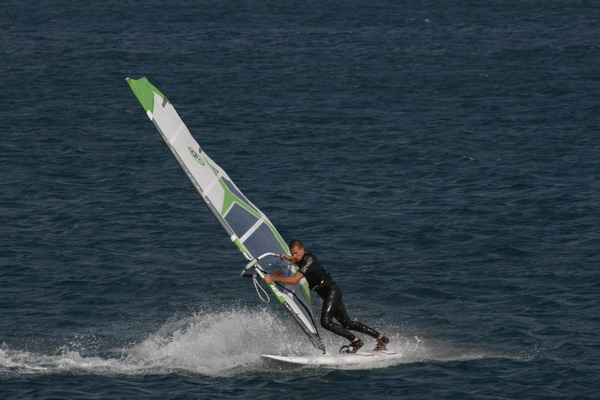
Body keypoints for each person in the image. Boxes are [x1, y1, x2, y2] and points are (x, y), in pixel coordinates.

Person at [263, 239, 389, 353]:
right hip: (325, 293)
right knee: (347, 323)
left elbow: (293, 280)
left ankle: (356, 341)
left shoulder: (309, 260)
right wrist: (289, 258)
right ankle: (381, 339)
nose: (295, 255)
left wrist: (273, 278)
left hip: (331, 291)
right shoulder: (300, 258)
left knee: (326, 322)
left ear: (302, 249)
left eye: (296, 253)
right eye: (292, 253)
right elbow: (296, 259)